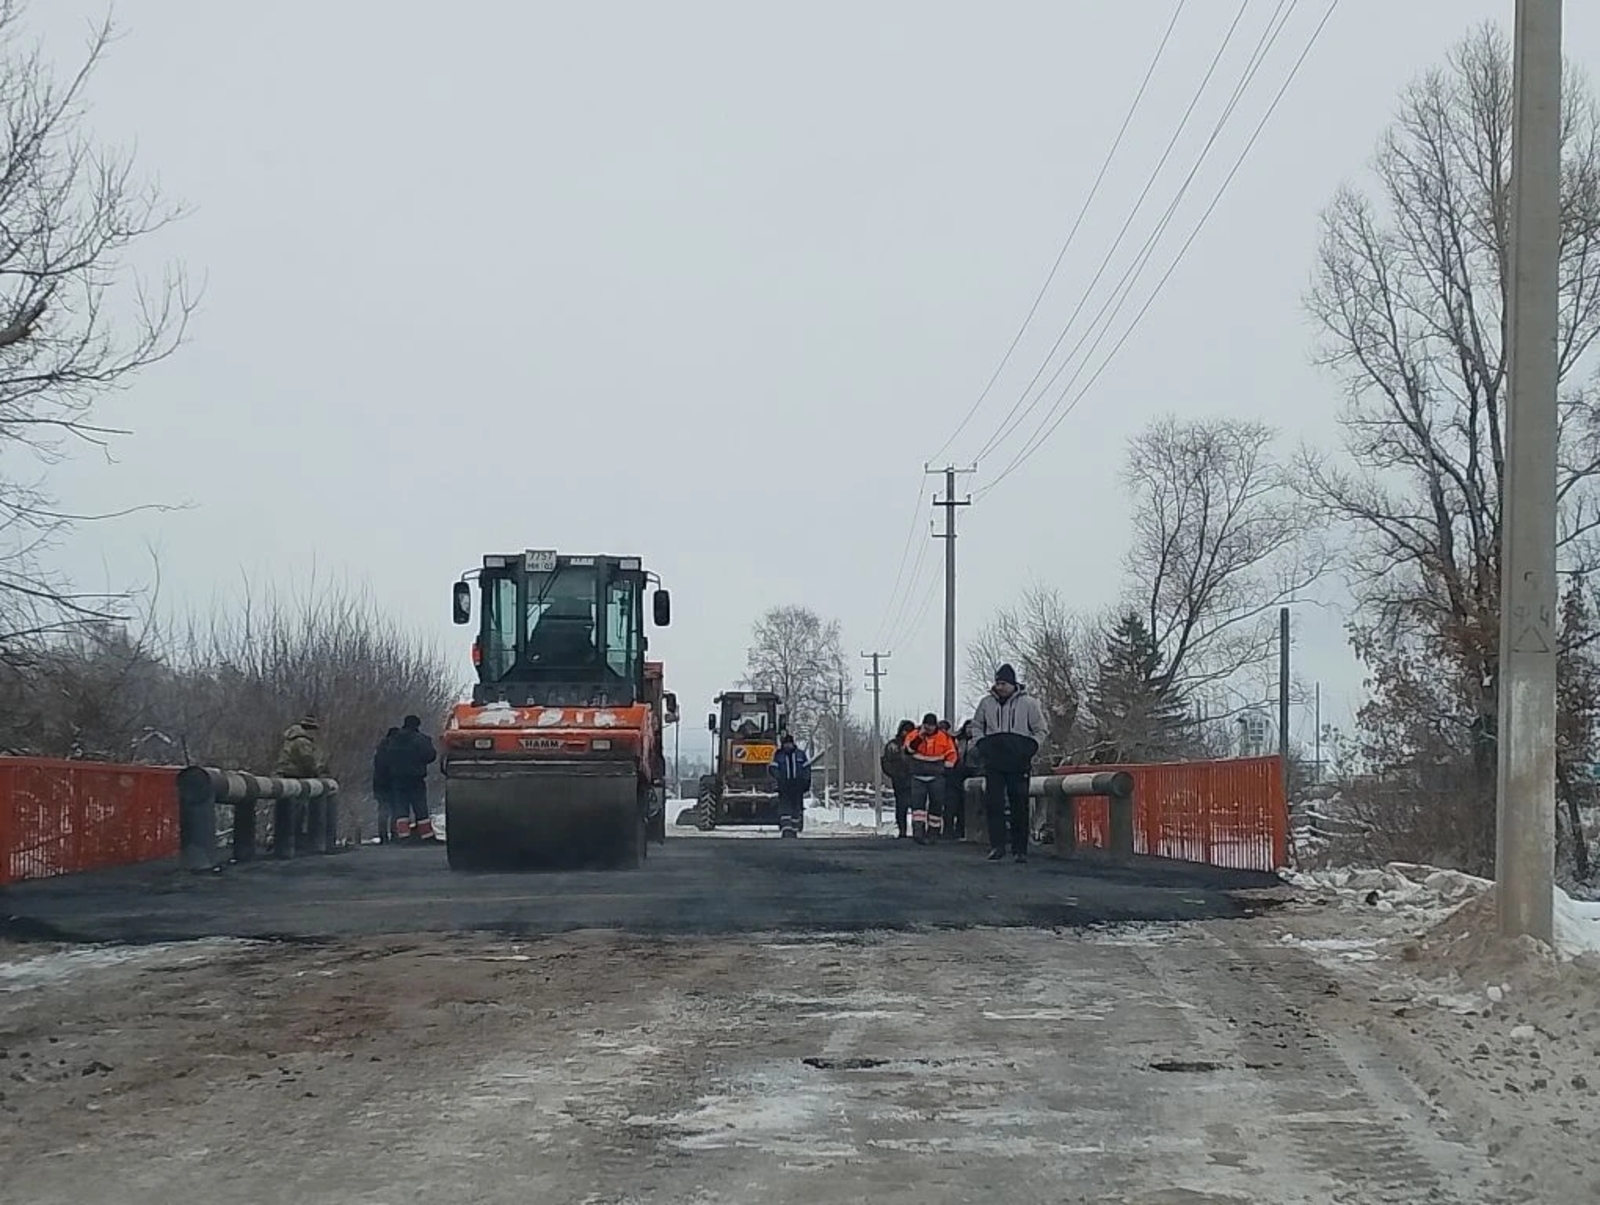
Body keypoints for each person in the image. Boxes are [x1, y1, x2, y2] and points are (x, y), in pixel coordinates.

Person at [970, 663, 1050, 863]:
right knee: (994, 804)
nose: (1000, 687)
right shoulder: (986, 703)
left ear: (1013, 684)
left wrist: (1031, 747)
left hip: (1018, 761)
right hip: (994, 761)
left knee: (1019, 805)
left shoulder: (1029, 703)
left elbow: (1040, 730)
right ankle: (997, 846)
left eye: (1003, 683)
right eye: (997, 683)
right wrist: (982, 744)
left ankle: (1019, 849)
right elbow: (977, 726)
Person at [902, 712, 957, 844]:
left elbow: (951, 753)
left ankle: (933, 833)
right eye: (926, 725)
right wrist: (920, 738)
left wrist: (947, 768)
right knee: (918, 807)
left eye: (931, 726)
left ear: (935, 725)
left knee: (936, 805)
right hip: (918, 775)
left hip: (937, 776)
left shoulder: (944, 737)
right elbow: (908, 750)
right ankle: (918, 833)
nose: (928, 728)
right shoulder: (914, 735)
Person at [388, 714, 438, 841]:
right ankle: (425, 835)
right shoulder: (421, 739)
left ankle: (403, 836)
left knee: (401, 807)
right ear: (417, 725)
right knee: (420, 806)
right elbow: (430, 756)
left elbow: (387, 757)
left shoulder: (393, 739)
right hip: (416, 778)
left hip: (397, 778)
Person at [767, 732, 811, 837]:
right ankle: (786, 829)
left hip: (797, 785)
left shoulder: (800, 754)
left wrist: (806, 783)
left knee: (796, 808)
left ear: (793, 744)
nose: (788, 746)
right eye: (786, 744)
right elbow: (773, 768)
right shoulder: (778, 755)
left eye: (789, 743)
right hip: (784, 786)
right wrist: (779, 779)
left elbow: (806, 770)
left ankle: (794, 829)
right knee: (785, 808)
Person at [880, 719, 916, 838]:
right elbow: (886, 762)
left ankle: (918, 831)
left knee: (917, 807)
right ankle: (902, 830)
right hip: (900, 780)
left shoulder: (917, 744)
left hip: (915, 779)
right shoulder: (893, 745)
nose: (907, 733)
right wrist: (895, 774)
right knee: (901, 806)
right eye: (905, 730)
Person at [946, 719, 979, 840]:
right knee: (954, 802)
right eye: (968, 727)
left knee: (968, 803)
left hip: (973, 772)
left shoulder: (979, 742)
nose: (970, 730)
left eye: (972, 728)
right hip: (957, 772)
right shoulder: (957, 740)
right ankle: (953, 830)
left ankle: (965, 829)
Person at [371, 727, 400, 843]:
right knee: (395, 810)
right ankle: (394, 834)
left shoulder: (381, 748)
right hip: (393, 782)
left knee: (383, 810)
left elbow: (378, 767)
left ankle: (383, 835)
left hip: (380, 783)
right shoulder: (395, 749)